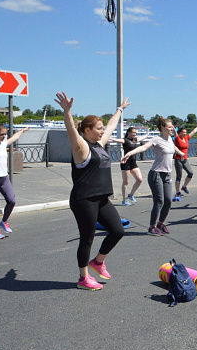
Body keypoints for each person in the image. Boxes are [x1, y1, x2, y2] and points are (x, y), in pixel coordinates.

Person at [55, 92, 129, 290]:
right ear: (87, 130)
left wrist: (119, 110)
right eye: (98, 129)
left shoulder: (99, 145)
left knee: (117, 230)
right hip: (84, 199)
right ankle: (83, 278)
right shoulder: (81, 147)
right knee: (87, 238)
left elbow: (112, 125)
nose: (102, 131)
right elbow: (71, 131)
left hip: (101, 198)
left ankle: (97, 262)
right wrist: (67, 112)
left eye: (102, 129)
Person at [122, 117, 184, 236]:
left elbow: (173, 147)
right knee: (159, 201)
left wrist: (180, 153)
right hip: (156, 174)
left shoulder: (170, 139)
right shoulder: (157, 139)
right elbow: (144, 147)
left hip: (167, 174)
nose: (172, 128)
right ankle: (152, 227)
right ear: (163, 128)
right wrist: (129, 153)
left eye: (173, 127)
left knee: (168, 201)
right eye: (170, 127)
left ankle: (161, 223)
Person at [109, 127, 143, 205]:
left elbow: (142, 138)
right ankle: (124, 200)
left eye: (135, 133)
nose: (134, 134)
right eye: (133, 132)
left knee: (139, 179)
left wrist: (147, 134)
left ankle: (131, 195)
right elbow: (116, 140)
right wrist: (109, 137)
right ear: (128, 132)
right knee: (126, 182)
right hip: (125, 162)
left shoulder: (135, 140)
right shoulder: (125, 140)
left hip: (133, 162)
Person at [172, 124, 197, 201]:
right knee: (179, 176)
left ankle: (184, 186)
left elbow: (193, 132)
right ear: (180, 133)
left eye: (185, 132)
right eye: (183, 132)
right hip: (178, 160)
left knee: (190, 173)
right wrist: (172, 127)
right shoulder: (177, 138)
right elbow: (175, 132)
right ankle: (177, 192)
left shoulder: (186, 138)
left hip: (185, 160)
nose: (185, 133)